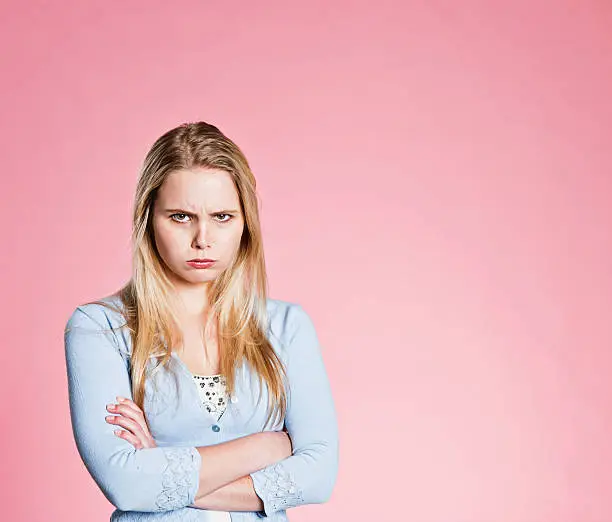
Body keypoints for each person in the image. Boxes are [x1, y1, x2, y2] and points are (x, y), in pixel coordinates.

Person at [63, 121, 339, 522]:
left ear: (246, 223)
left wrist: (161, 466)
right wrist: (265, 448)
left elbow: (318, 476)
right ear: (148, 218)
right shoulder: (100, 329)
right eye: (180, 216)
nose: (202, 238)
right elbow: (126, 483)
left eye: (223, 216)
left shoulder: (286, 327)